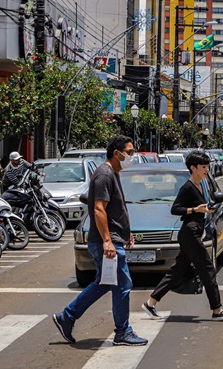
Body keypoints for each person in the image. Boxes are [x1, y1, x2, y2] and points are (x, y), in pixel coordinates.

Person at [53, 135, 147, 346]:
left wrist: (126, 233)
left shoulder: (112, 173)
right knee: (123, 286)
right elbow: (99, 209)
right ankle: (122, 332)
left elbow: (115, 210)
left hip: (113, 239)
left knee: (104, 284)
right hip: (107, 242)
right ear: (117, 153)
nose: (132, 156)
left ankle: (66, 317)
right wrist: (108, 241)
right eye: (130, 152)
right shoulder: (104, 175)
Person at [142, 151, 223, 322]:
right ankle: (217, 311)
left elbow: (200, 207)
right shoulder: (187, 187)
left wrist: (206, 210)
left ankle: (150, 303)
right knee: (208, 270)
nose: (207, 170)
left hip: (194, 233)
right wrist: (195, 210)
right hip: (189, 234)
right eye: (203, 167)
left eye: (207, 166)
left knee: (177, 272)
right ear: (193, 168)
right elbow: (175, 208)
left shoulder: (202, 185)